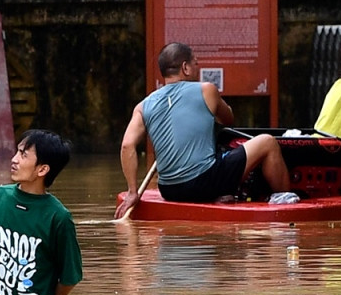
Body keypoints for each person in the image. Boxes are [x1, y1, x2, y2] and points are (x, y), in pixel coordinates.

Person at [115, 42, 291, 218]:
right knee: (267, 142)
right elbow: (228, 120)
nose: (197, 68)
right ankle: (286, 200)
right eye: (195, 63)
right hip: (204, 183)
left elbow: (127, 146)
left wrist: (133, 192)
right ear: (185, 67)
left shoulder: (143, 105)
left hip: (169, 190)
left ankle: (221, 194)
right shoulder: (206, 90)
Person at [0, 129, 83, 295]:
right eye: (17, 151)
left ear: (42, 169)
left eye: (24, 155)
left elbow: (70, 278)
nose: (14, 159)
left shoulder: (58, 217)